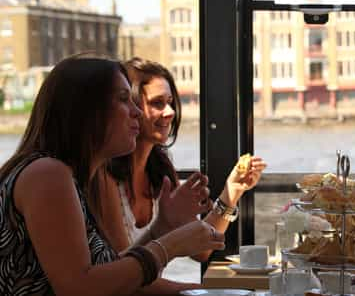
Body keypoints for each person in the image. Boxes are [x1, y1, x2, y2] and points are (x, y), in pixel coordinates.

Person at [0, 56, 224, 296]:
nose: (137, 112)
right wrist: (169, 246)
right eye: (123, 99)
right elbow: (78, 288)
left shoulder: (64, 176)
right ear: (85, 110)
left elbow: (110, 277)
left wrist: (162, 228)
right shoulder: (47, 174)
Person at [91, 58, 266, 288]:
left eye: (171, 102)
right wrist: (205, 292)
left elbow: (202, 250)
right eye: (157, 103)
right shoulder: (104, 178)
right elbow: (126, 278)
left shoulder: (161, 170)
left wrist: (231, 193)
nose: (170, 112)